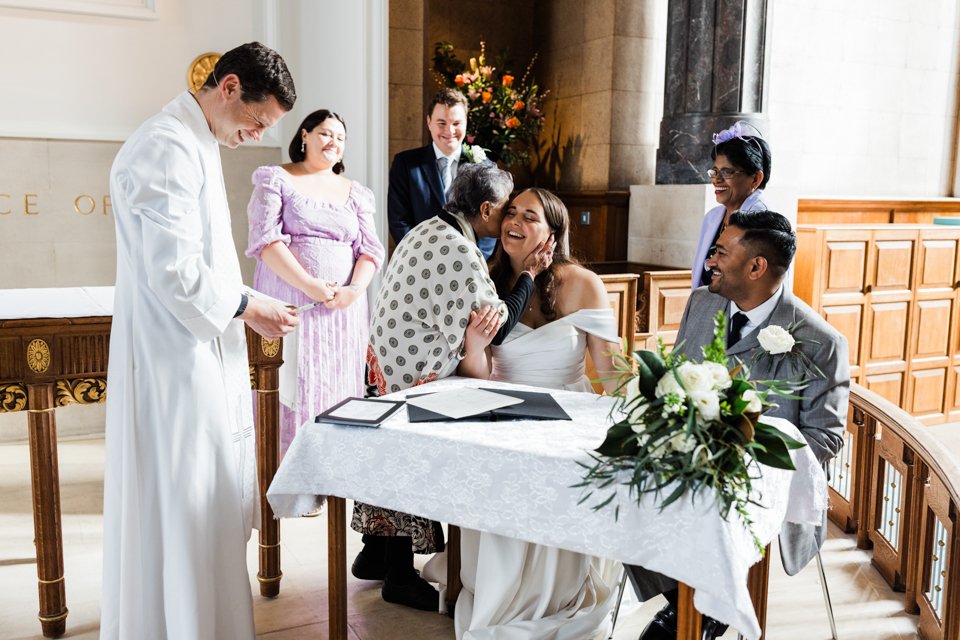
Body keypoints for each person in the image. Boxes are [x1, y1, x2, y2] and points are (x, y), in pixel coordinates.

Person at [101, 42, 299, 640]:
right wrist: (248, 303)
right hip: (171, 363)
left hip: (194, 353)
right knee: (183, 504)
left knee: (201, 506)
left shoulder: (198, 140)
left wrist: (242, 308)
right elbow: (175, 272)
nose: (255, 136)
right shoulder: (165, 146)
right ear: (230, 87)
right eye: (257, 122)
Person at [630, 210, 850, 640]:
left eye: (720, 251)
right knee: (627, 492)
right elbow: (672, 383)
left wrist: (744, 456)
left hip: (756, 491)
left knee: (707, 527)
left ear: (756, 266)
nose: (709, 260)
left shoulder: (821, 341)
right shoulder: (700, 303)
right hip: (682, 469)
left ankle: (697, 612)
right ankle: (696, 607)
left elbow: (827, 436)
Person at [355, 164, 554, 612]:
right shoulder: (458, 251)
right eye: (505, 211)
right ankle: (399, 576)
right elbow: (497, 328)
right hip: (412, 374)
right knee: (408, 470)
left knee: (391, 467)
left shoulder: (430, 228)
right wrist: (529, 276)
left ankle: (377, 553)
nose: (509, 221)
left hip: (386, 362)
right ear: (486, 209)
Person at [450, 187, 623, 639]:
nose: (516, 222)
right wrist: (473, 347)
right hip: (503, 413)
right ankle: (499, 590)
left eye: (530, 216)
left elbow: (610, 373)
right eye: (511, 212)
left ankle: (555, 593)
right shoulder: (487, 279)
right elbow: (482, 373)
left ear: (553, 233)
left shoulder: (582, 283)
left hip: (568, 415)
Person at [246, 109, 385, 454]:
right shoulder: (275, 178)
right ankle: (286, 476)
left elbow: (370, 251)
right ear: (304, 135)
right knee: (296, 383)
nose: (333, 142)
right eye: (325, 133)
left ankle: (332, 473)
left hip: (343, 312)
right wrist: (309, 285)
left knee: (336, 384)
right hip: (293, 301)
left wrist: (353, 290)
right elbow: (265, 242)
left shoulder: (357, 193)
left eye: (340, 138)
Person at [387, 88, 497, 259]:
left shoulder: (485, 167)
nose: (449, 131)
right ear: (429, 122)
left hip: (470, 266)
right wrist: (423, 260)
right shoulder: (406, 164)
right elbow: (399, 221)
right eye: (441, 123)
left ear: (466, 122)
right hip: (420, 264)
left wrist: (475, 261)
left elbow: (491, 221)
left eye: (456, 123)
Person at [691, 121, 772, 288]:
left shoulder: (764, 223)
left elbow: (761, 288)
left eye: (727, 172)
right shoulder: (712, 217)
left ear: (756, 178)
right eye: (714, 171)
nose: (716, 179)